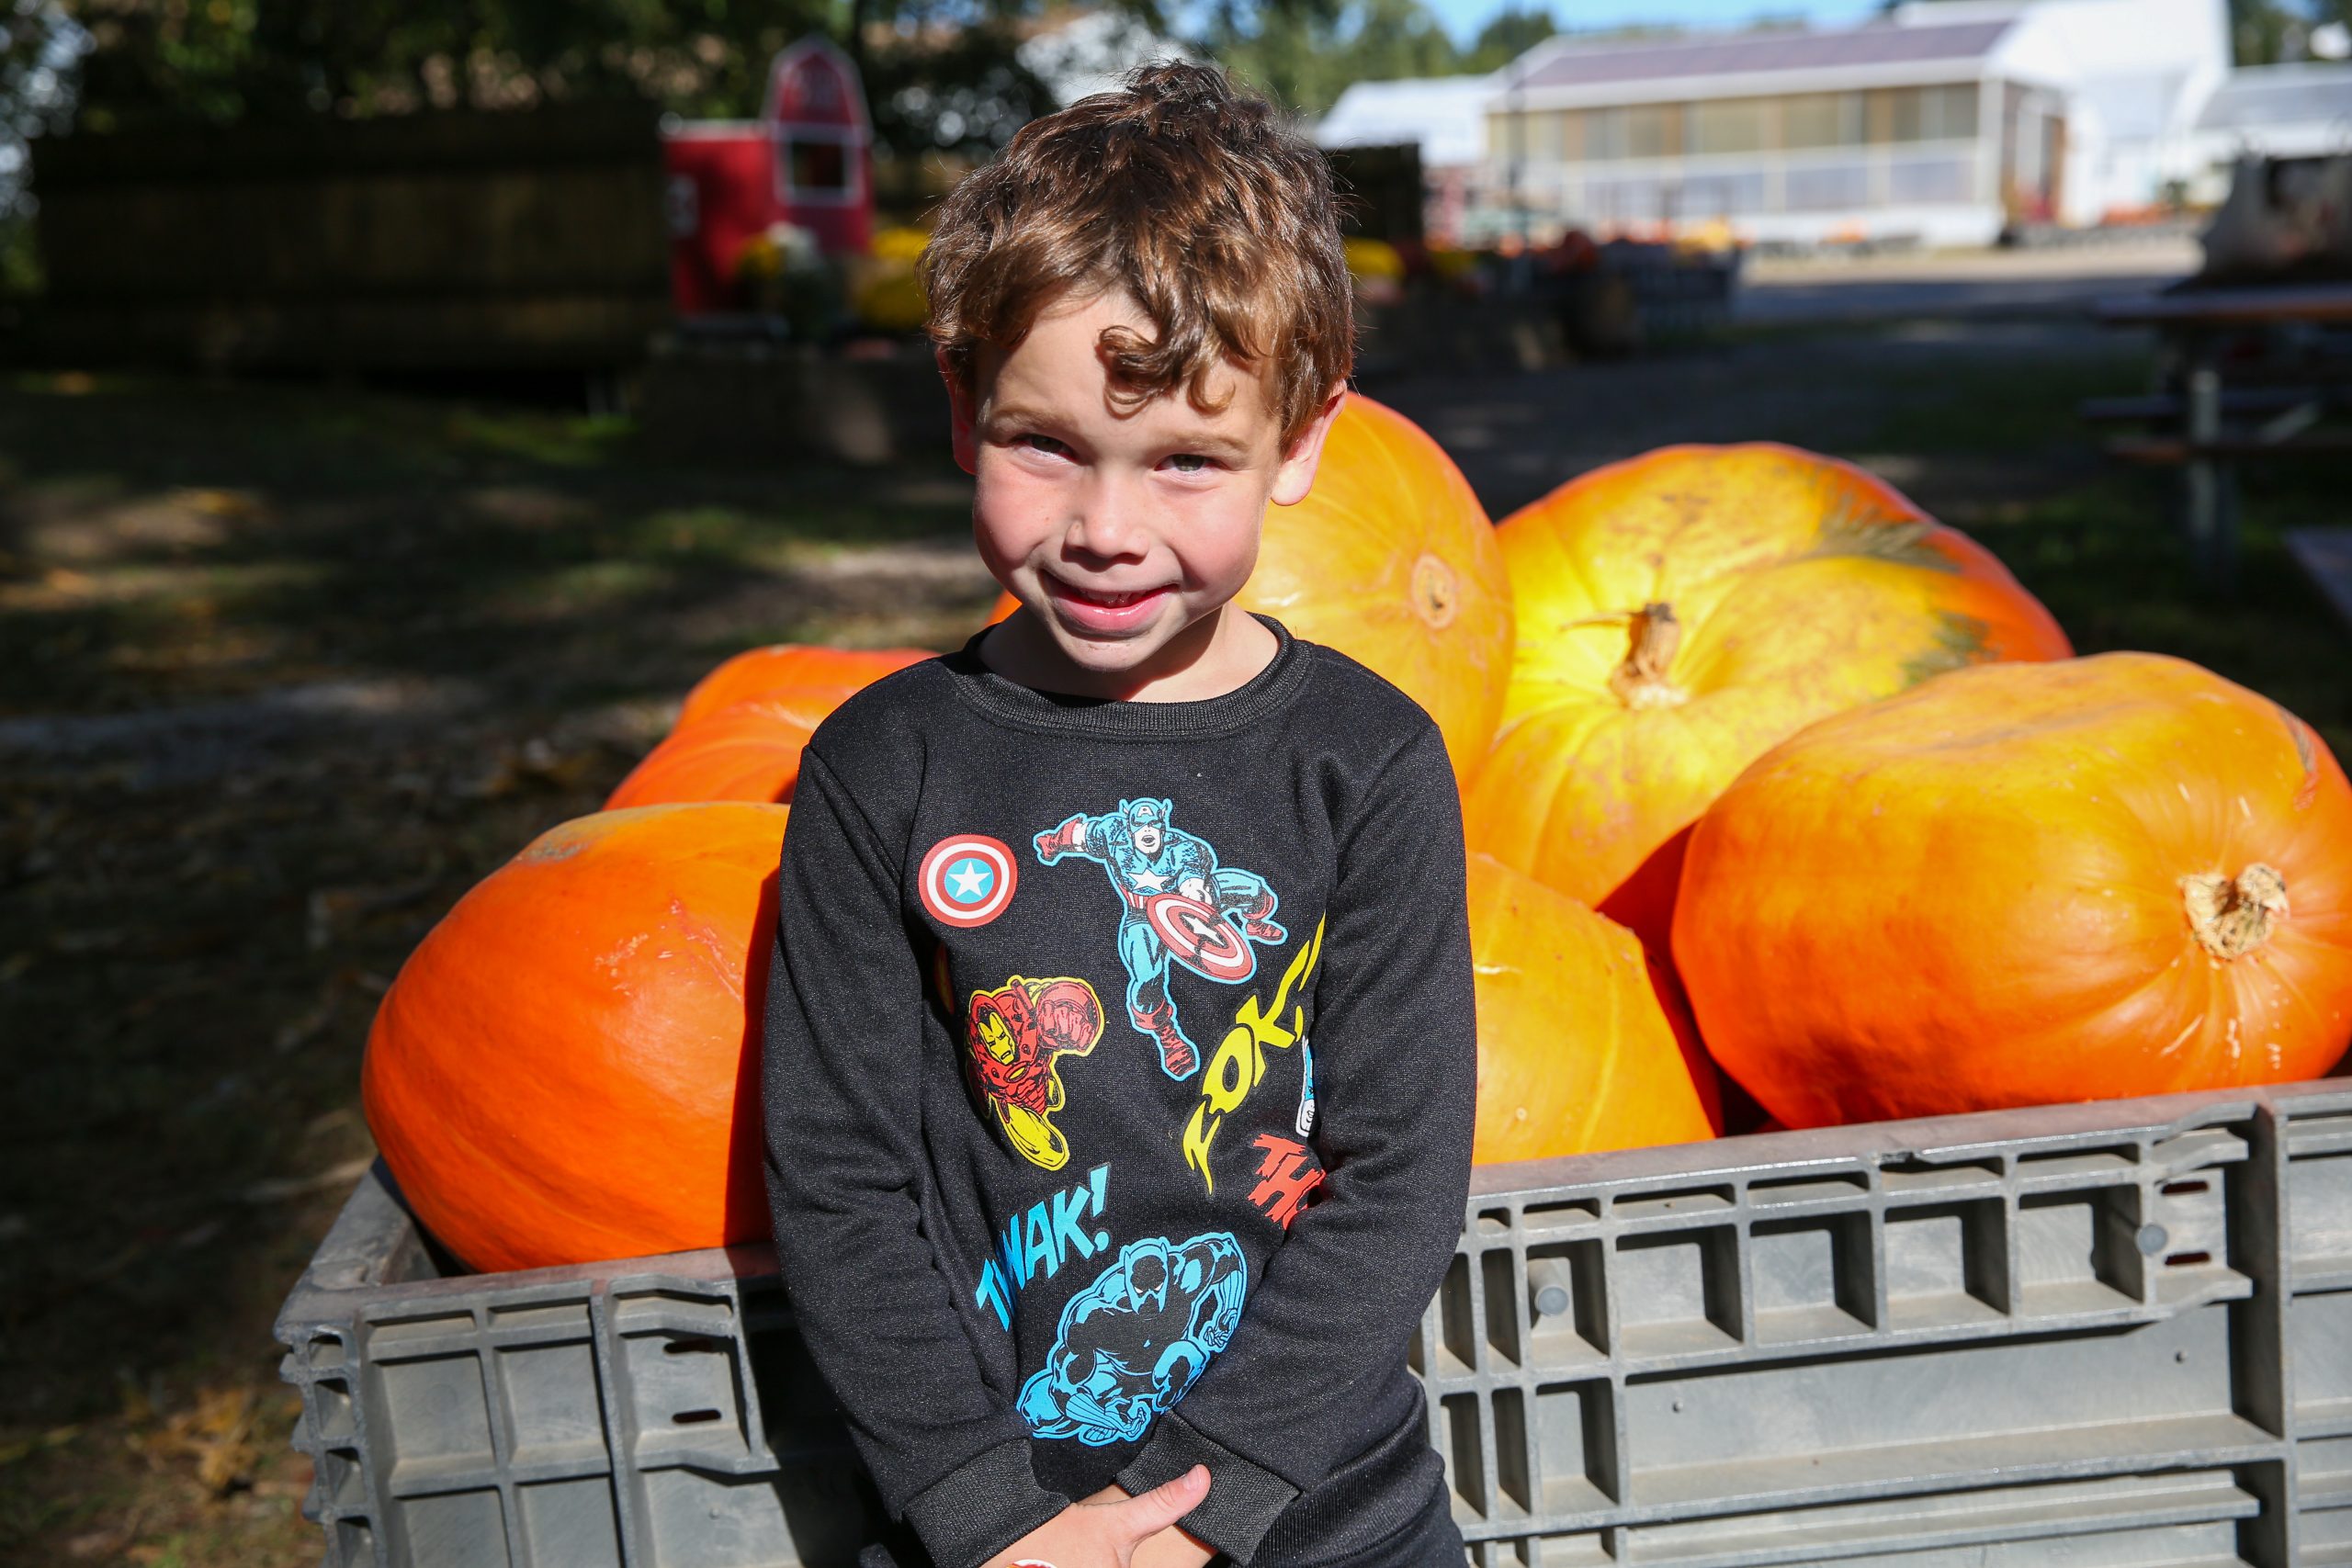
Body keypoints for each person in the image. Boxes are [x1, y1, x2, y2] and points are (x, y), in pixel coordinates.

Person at [761, 60, 1476, 1568]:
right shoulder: (879, 771)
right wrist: (986, 1512)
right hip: (1003, 1527)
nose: (1106, 528)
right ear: (961, 409)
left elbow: (1402, 1171)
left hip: (1328, 1516)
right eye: (1047, 445)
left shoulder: (1370, 760)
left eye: (1187, 462)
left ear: (1301, 442)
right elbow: (839, 1178)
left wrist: (1206, 1509)